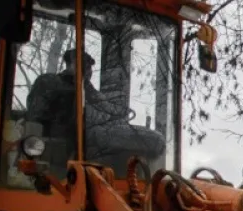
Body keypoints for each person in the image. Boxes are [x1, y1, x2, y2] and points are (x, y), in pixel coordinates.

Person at [27, 50, 164, 166]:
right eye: (86, 69)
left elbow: (102, 103)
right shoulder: (49, 82)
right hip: (53, 138)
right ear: (73, 63)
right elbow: (36, 115)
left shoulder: (85, 86)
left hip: (78, 137)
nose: (89, 74)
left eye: (89, 70)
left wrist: (121, 111)